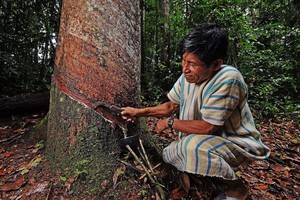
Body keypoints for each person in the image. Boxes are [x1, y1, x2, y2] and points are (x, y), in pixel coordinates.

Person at [121, 23, 270, 200]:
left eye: (192, 63)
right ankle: (203, 170)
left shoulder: (229, 79)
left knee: (192, 148)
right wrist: (138, 112)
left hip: (236, 143)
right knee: (169, 154)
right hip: (206, 140)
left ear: (216, 64)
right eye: (184, 60)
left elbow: (208, 127)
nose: (185, 68)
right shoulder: (188, 77)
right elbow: (171, 106)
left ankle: (237, 189)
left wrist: (171, 123)